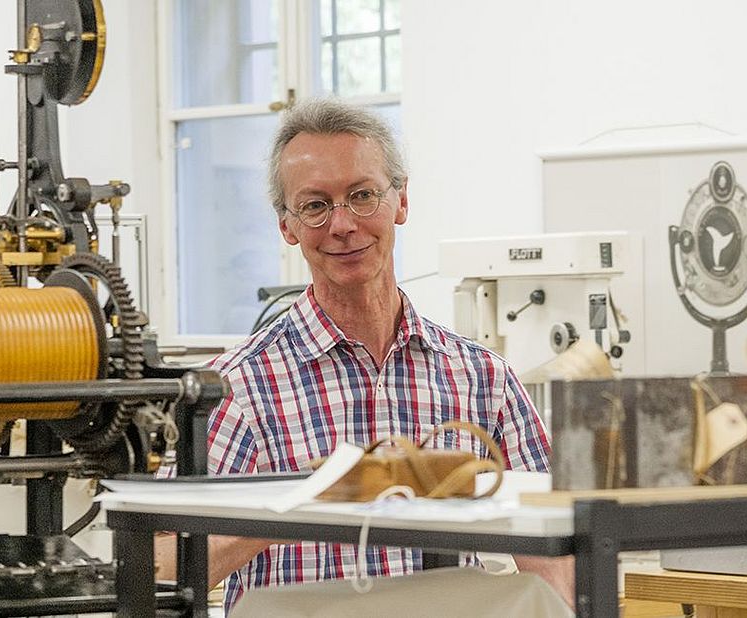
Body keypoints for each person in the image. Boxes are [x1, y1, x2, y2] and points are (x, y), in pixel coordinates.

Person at [158, 97, 573, 613]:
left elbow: (556, 543)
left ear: (400, 202)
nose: (342, 224)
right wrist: (292, 509)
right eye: (315, 205)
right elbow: (160, 563)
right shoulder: (239, 387)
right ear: (286, 225)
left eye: (362, 195)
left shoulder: (481, 378)